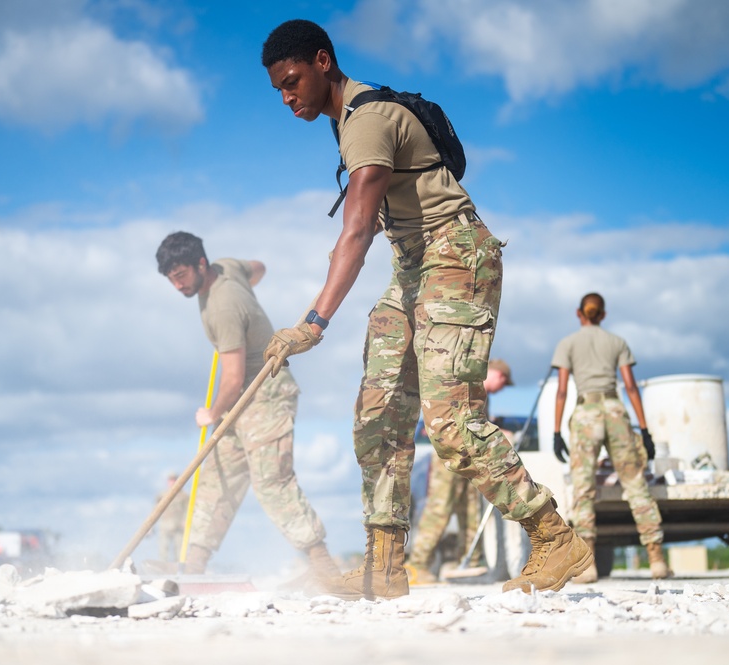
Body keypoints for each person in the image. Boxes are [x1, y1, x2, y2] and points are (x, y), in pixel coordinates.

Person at [260, 19, 592, 600]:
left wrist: (312, 323)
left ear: (322, 61)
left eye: (292, 82)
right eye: (278, 90)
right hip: (411, 264)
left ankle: (554, 535)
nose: (287, 98)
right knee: (379, 411)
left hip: (455, 254)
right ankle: (384, 565)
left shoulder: (366, 120)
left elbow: (357, 228)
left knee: (449, 422)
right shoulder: (346, 120)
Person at [155, 231, 340, 584]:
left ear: (200, 264)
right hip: (242, 399)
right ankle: (193, 566)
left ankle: (323, 566)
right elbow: (259, 268)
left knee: (272, 481)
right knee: (217, 478)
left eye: (181, 276)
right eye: (170, 279)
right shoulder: (227, 268)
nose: (177, 286)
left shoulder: (223, 307)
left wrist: (211, 414)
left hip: (265, 393)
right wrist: (249, 304)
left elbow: (234, 375)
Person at [550, 292, 669, 582]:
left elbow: (563, 391)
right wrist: (644, 429)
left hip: (586, 413)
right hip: (615, 411)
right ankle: (656, 559)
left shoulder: (567, 344)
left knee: (584, 488)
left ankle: (587, 565)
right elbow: (630, 387)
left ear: (580, 313)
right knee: (635, 484)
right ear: (603, 314)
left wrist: (556, 431)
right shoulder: (617, 342)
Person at [406, 359, 515, 584]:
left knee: (471, 511)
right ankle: (417, 566)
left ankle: (470, 563)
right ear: (499, 376)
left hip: (472, 457)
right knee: (440, 507)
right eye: (503, 384)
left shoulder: (483, 395)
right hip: (451, 453)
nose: (502, 389)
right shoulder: (466, 384)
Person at [156, 472, 190, 564]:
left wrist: (185, 522)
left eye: (174, 480)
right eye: (170, 480)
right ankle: (163, 566)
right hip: (165, 525)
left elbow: (189, 510)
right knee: (163, 548)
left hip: (178, 526)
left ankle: (178, 567)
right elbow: (154, 512)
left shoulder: (184, 496)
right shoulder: (162, 495)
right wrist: (150, 529)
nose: (172, 482)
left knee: (179, 548)